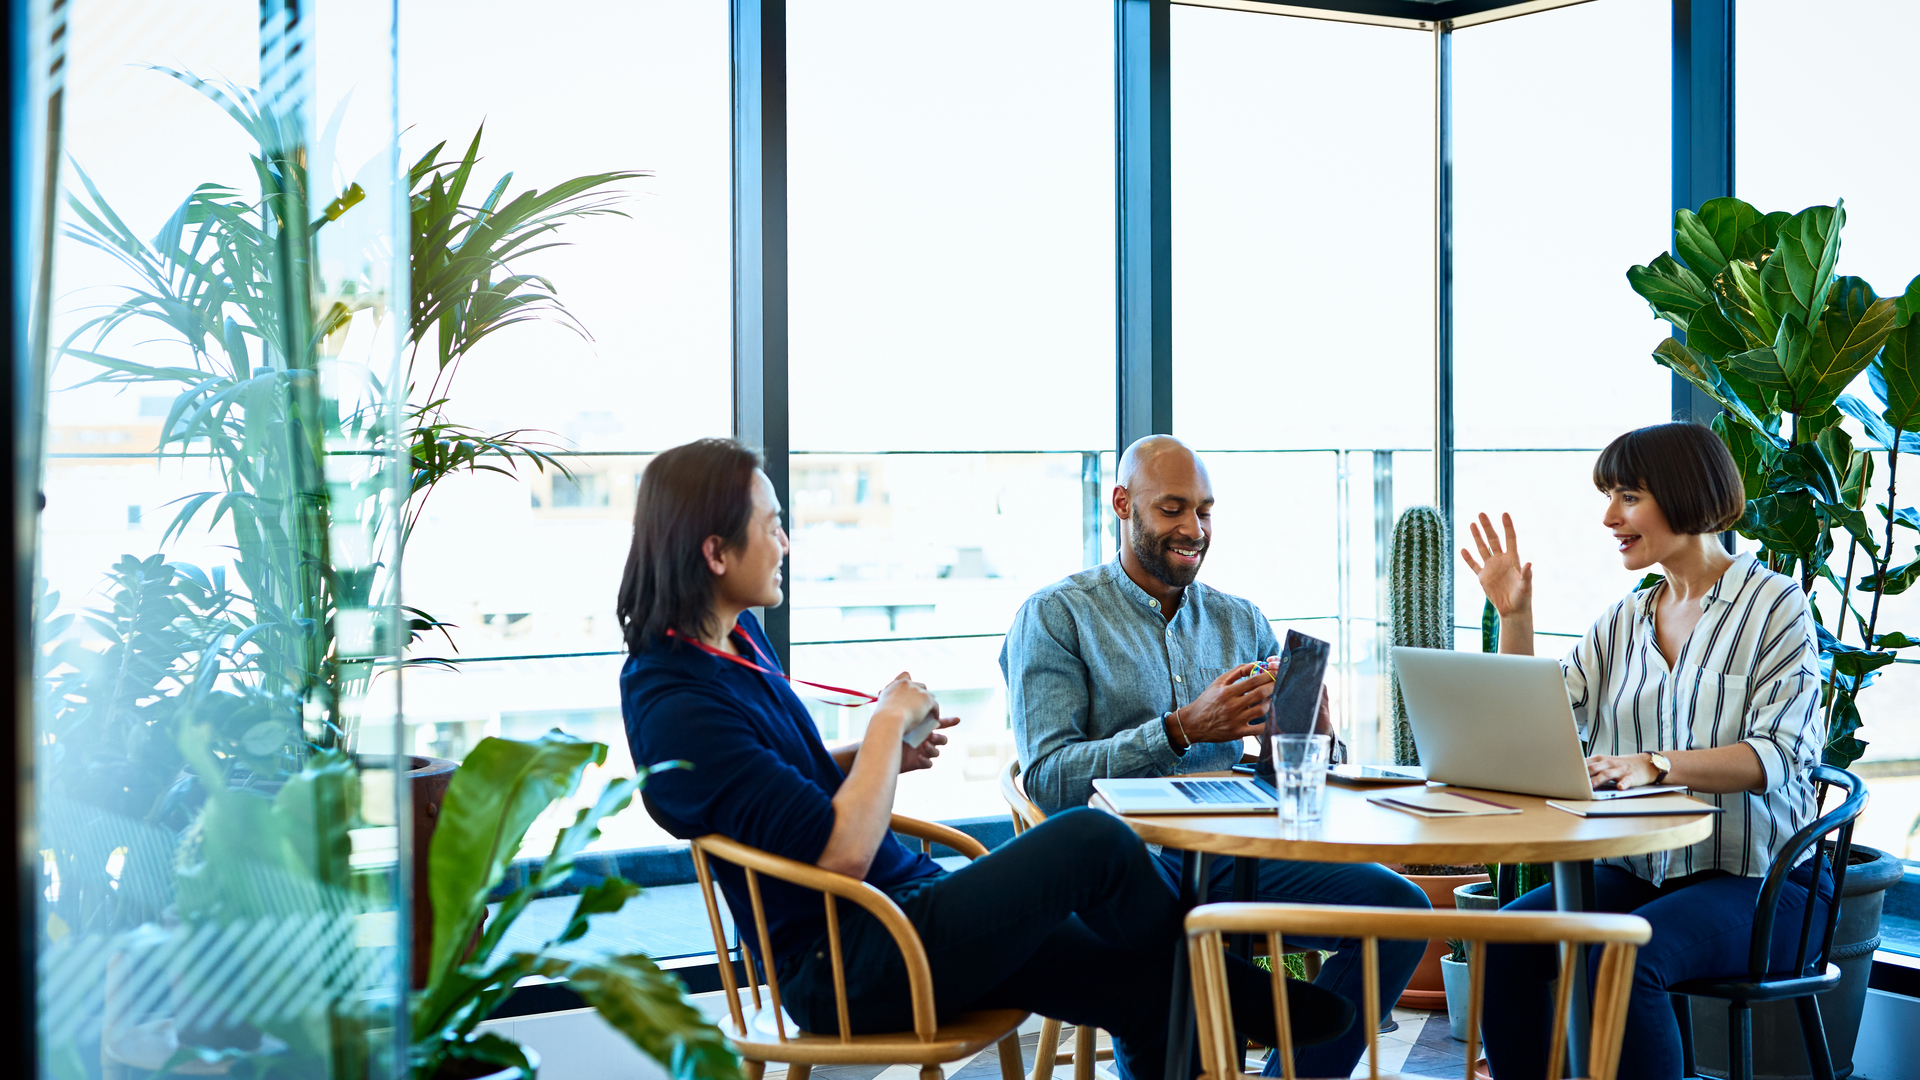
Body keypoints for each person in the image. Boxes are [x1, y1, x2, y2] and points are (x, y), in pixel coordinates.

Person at [618, 438, 1351, 1080]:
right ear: (716, 552)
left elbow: (781, 780)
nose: (786, 543)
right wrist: (881, 730)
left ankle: (1224, 991)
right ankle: (1237, 991)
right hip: (851, 965)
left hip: (908, 911)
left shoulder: (735, 647)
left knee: (1146, 987)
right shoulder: (676, 702)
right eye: (773, 525)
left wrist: (880, 755)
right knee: (1094, 837)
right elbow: (839, 854)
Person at [1000, 434, 1428, 1079]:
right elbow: (1051, 781)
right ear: (1122, 504)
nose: (1193, 529)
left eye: (1204, 511)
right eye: (1172, 509)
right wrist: (1178, 729)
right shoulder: (1058, 616)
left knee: (1400, 911)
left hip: (1240, 858)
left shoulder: (1239, 619)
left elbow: (1290, 774)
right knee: (1162, 941)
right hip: (1128, 867)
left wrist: (1312, 739)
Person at [1463, 422, 1829, 1080]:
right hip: (1647, 873)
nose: (1610, 516)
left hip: (1767, 883)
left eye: (1628, 496)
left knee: (1624, 959)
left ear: (1686, 495)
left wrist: (1656, 762)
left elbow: (1777, 755)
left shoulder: (1776, 607)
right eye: (1610, 497)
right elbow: (1533, 726)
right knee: (1502, 941)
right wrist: (1514, 617)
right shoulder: (1625, 620)